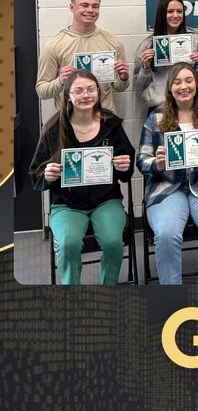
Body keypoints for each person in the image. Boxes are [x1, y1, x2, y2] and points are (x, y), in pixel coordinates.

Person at [29, 71, 134, 285]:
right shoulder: (53, 128)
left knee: (114, 242)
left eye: (90, 89)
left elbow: (127, 166)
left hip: (106, 200)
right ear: (68, 96)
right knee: (68, 244)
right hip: (67, 204)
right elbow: (36, 172)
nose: (85, 95)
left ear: (98, 91)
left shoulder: (111, 124)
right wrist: (48, 175)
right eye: (78, 91)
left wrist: (125, 165)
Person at [137, 62, 198, 284]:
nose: (183, 86)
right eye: (177, 82)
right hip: (166, 187)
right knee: (167, 235)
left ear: (197, 85)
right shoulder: (156, 117)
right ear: (170, 88)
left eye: (189, 80)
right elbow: (142, 160)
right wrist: (157, 164)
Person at [35, 0, 130, 114]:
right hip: (70, 120)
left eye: (95, 6)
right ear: (71, 7)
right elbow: (42, 91)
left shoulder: (113, 42)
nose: (90, 10)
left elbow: (119, 88)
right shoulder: (53, 46)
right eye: (84, 5)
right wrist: (60, 81)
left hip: (105, 119)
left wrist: (124, 78)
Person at [134, 0, 198, 112]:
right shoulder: (148, 44)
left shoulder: (195, 40)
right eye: (170, 11)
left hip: (189, 104)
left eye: (179, 11)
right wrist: (146, 67)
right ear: (161, 14)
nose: (175, 15)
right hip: (160, 106)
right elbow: (140, 86)